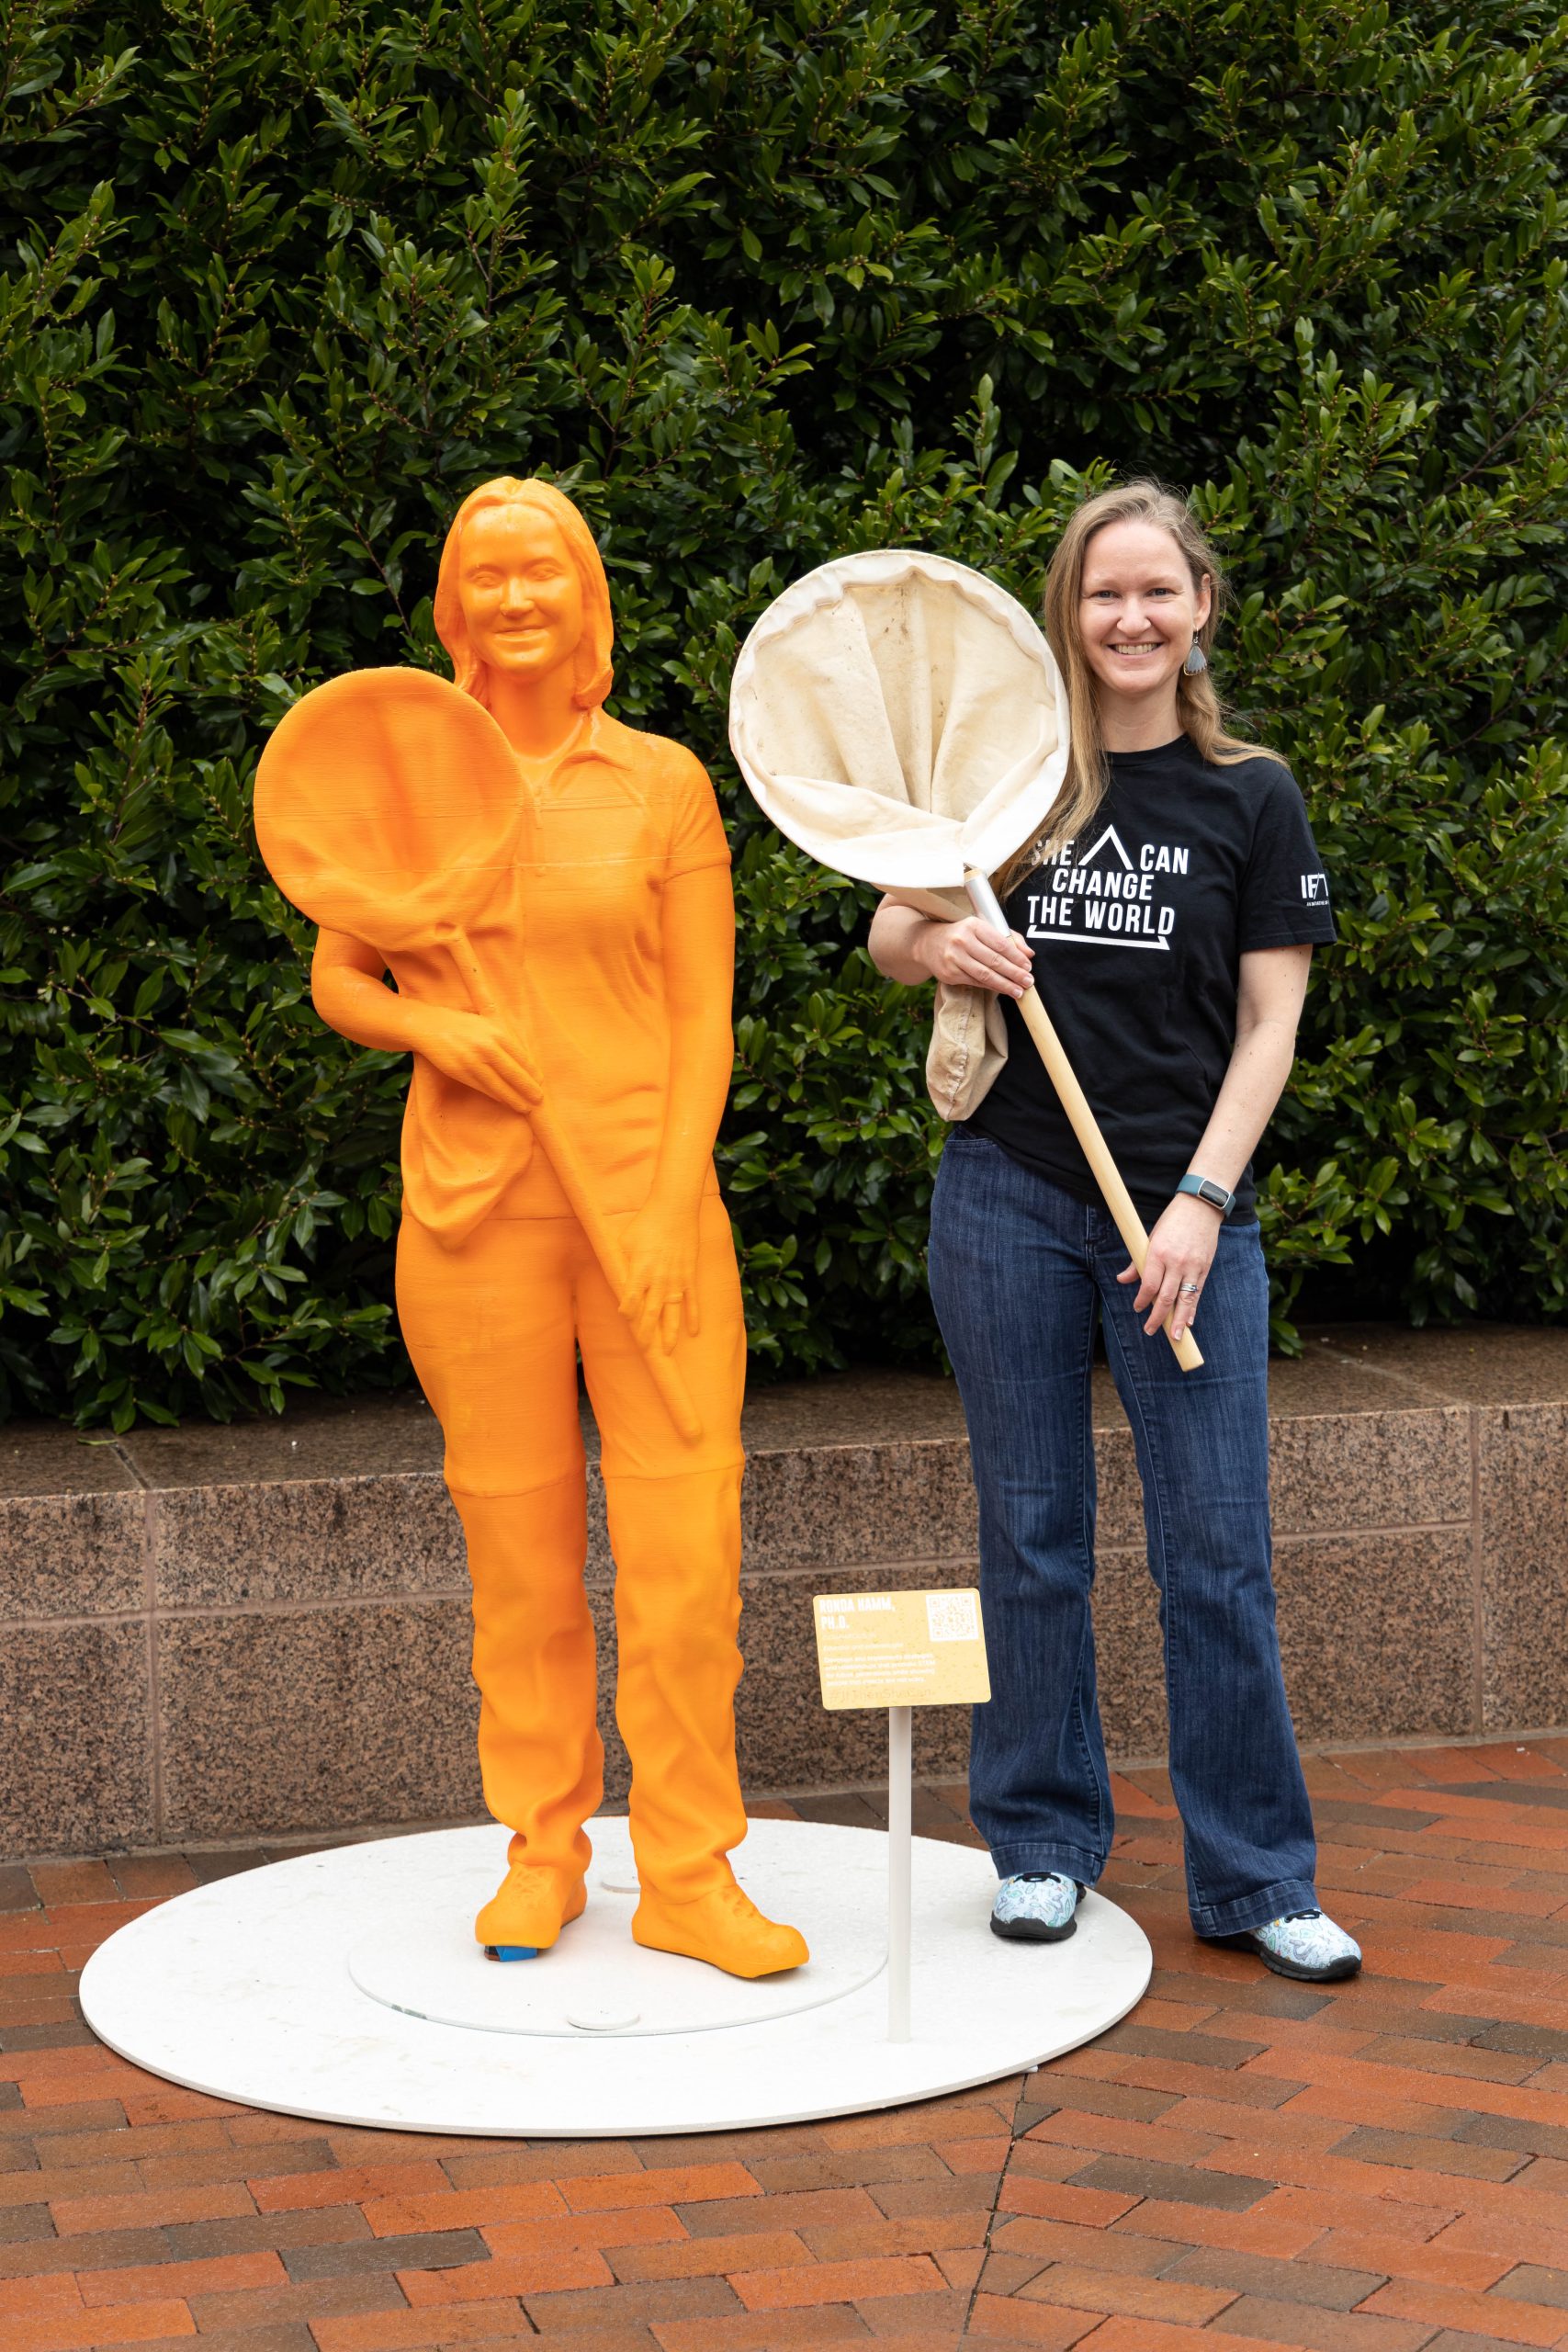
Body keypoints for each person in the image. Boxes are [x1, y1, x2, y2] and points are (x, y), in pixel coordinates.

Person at [309, 477, 807, 1980]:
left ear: (585, 600)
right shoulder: (406, 786)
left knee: (683, 1543)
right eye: (487, 576)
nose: (516, 599)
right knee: (518, 1551)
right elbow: (343, 981)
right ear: (453, 609)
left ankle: (691, 1869)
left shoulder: (660, 787)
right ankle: (543, 1850)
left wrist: (663, 1202)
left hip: (648, 1207)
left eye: (543, 573)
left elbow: (703, 1021)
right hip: (471, 1212)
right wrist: (442, 1036)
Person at [868, 481, 1360, 1984]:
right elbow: (890, 927)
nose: (1130, 619)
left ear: (1200, 606)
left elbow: (1273, 1024)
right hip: (1011, 1196)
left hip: (1184, 1218)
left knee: (1217, 1553)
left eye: (1157, 591)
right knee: (1032, 1538)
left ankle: (1259, 1876)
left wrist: (1201, 1206)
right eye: (1101, 595)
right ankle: (1038, 1846)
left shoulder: (1251, 794)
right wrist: (937, 938)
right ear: (1064, 616)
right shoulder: (1009, 784)